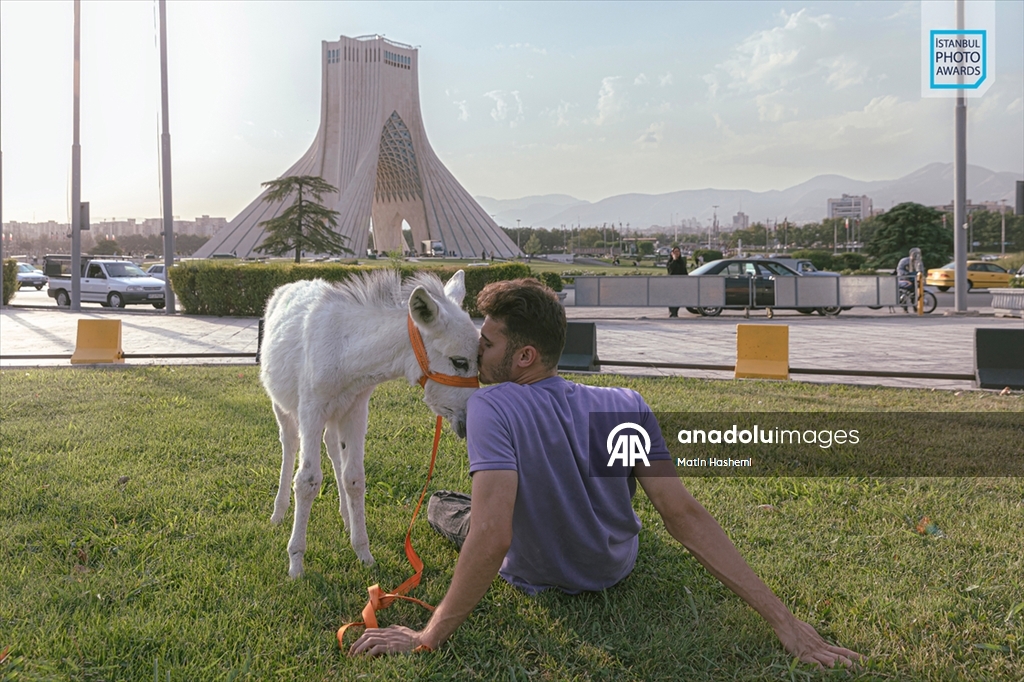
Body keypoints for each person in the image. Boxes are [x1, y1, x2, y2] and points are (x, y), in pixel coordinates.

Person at [350, 279, 863, 669]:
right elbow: (682, 513)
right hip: (614, 567)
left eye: (487, 345)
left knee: (449, 506)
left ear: (524, 356)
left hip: (536, 575)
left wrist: (427, 635)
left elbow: (490, 535)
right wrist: (786, 623)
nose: (477, 354)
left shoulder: (492, 408)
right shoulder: (624, 403)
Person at [666, 246, 688, 317]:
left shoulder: (681, 262)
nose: (677, 253)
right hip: (672, 283)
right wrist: (674, 260)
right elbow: (670, 270)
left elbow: (684, 272)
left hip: (680, 284)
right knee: (672, 298)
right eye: (675, 252)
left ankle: (675, 312)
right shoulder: (670, 262)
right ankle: (672, 313)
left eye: (678, 251)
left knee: (678, 298)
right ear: (672, 253)